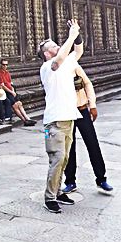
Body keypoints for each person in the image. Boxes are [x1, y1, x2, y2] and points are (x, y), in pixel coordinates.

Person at [38, 19, 84, 213]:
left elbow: (78, 51)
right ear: (47, 53)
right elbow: (58, 61)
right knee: (57, 158)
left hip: (68, 117)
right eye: (54, 46)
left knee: (64, 158)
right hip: (54, 122)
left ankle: (57, 192)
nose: (58, 46)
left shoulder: (67, 63)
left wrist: (77, 33)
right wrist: (70, 36)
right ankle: (49, 197)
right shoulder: (48, 67)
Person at [61, 63, 114, 196]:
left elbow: (87, 83)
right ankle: (70, 181)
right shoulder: (55, 69)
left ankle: (101, 179)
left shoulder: (73, 65)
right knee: (69, 147)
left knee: (92, 143)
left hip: (82, 109)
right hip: (66, 112)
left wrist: (93, 105)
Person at [0, 60, 36, 125]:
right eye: (3, 65)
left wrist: (13, 91)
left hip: (11, 91)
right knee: (15, 106)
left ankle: (27, 118)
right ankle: (24, 121)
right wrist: (11, 92)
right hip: (6, 92)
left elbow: (10, 83)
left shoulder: (7, 73)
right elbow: (3, 86)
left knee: (19, 103)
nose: (5, 66)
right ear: (1, 65)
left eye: (6, 65)